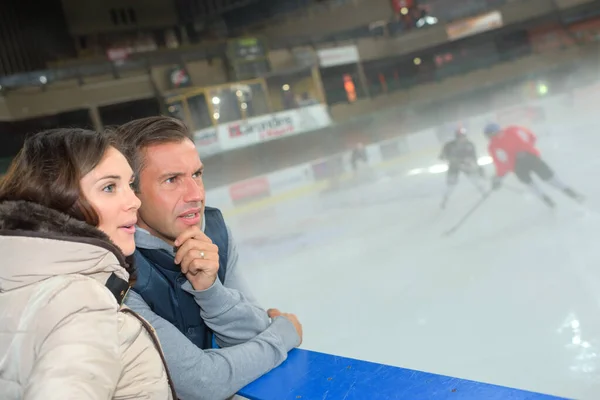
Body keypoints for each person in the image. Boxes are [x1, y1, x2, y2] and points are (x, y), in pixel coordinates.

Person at [115, 116, 302, 400]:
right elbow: (201, 383)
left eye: (197, 174)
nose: (195, 194)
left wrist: (210, 291)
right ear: (132, 192)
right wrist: (285, 333)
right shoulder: (116, 268)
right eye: (171, 180)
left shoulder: (215, 230)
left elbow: (253, 335)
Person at [0, 129, 176, 399]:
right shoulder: (81, 301)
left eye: (130, 184)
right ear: (61, 202)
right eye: (109, 187)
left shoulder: (24, 284)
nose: (134, 201)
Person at [483, 122, 583, 208]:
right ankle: (551, 197)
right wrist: (499, 177)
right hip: (526, 160)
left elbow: (501, 163)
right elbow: (531, 137)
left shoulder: (497, 142)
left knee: (542, 180)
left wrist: (499, 176)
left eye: (490, 135)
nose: (490, 138)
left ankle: (560, 194)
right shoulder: (510, 132)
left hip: (524, 162)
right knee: (536, 182)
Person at [439, 127, 486, 209]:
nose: (462, 139)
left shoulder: (470, 145)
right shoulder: (449, 146)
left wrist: (477, 167)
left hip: (465, 165)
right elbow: (442, 156)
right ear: (456, 137)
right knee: (451, 184)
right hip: (454, 166)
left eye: (463, 137)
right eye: (460, 137)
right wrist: (450, 159)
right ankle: (445, 199)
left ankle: (483, 191)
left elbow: (474, 158)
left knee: (474, 178)